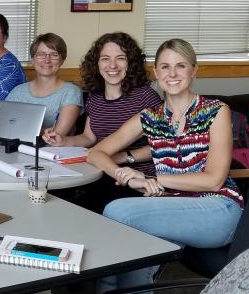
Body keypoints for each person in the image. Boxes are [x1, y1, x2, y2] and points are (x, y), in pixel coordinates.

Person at [71, 38, 242, 294]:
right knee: (137, 245)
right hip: (171, 208)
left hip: (217, 210)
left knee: (115, 211)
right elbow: (95, 152)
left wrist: (157, 180)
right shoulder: (151, 118)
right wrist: (126, 174)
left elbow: (213, 178)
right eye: (165, 66)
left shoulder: (216, 111)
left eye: (180, 66)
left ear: (194, 70)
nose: (172, 73)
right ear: (156, 71)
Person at [43, 32, 161, 211]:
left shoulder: (146, 97)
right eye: (105, 59)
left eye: (120, 58)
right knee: (56, 198)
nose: (112, 65)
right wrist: (63, 140)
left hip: (140, 177)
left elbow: (163, 147)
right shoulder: (95, 97)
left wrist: (124, 157)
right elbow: (89, 137)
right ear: (96, 63)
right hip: (100, 171)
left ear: (131, 63)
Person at [6, 33, 82, 133]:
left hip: (51, 148)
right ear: (33, 59)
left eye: (54, 55)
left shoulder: (71, 91)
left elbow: (57, 135)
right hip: (15, 146)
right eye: (41, 54)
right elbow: (4, 125)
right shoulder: (18, 91)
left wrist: (20, 127)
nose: (47, 60)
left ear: (62, 60)